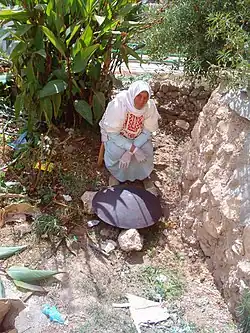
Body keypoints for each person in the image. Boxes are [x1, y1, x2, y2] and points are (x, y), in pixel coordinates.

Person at [99, 80, 160, 189]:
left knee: (147, 150)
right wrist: (134, 150)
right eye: (139, 96)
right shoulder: (120, 104)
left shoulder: (149, 107)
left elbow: (146, 132)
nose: (142, 101)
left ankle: (142, 175)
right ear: (133, 94)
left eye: (145, 98)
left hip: (138, 137)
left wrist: (131, 152)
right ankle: (116, 175)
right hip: (117, 137)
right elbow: (113, 134)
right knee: (116, 152)